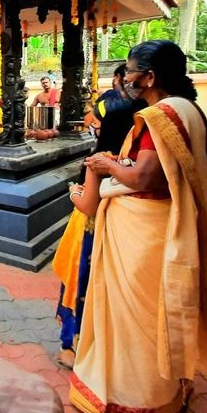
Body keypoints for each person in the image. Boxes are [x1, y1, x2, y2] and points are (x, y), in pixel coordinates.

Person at [67, 40, 207, 413]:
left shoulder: (161, 115)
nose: (125, 78)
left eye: (130, 71)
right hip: (164, 227)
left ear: (149, 76)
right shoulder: (191, 111)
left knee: (136, 321)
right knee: (154, 316)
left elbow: (146, 176)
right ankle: (163, 395)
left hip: (144, 231)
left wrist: (107, 165)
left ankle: (129, 402)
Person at [53, 65, 143, 368]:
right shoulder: (131, 159)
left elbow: (87, 205)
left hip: (89, 231)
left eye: (97, 121)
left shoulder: (101, 160)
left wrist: (72, 192)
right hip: (116, 235)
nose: (91, 123)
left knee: (78, 287)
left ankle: (70, 347)